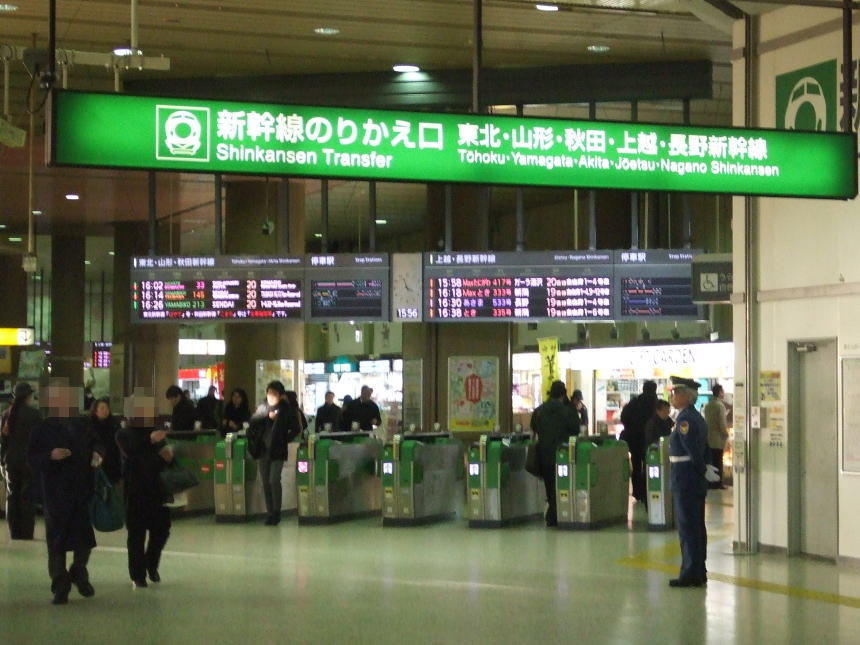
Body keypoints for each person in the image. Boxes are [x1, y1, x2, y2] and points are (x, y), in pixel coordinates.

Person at [28, 381, 104, 605]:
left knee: (84, 539)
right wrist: (50, 455)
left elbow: (99, 443)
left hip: (81, 488)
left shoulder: (83, 425)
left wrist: (98, 454)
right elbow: (31, 457)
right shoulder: (42, 428)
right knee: (57, 540)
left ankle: (79, 570)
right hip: (55, 491)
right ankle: (60, 583)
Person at [116, 391, 173, 589]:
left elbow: (165, 457)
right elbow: (132, 455)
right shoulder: (123, 434)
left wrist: (165, 456)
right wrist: (151, 443)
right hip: (135, 491)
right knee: (136, 535)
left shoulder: (155, 433)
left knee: (161, 530)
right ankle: (138, 574)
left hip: (156, 491)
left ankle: (151, 563)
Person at [667, 376, 719, 588]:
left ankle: (690, 573)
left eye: (675, 393)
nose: (672, 397)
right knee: (697, 527)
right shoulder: (695, 417)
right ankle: (698, 570)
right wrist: (704, 469)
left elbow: (693, 450)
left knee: (688, 527)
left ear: (686, 396)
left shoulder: (685, 420)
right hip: (693, 478)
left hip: (685, 477)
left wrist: (701, 468)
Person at [530, 380, 580, 527]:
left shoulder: (539, 411)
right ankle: (560, 514)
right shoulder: (567, 412)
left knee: (549, 486)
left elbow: (534, 428)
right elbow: (576, 429)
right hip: (563, 455)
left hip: (544, 455)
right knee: (563, 485)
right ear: (563, 395)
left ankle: (553, 515)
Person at [253, 381, 301, 525]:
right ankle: (270, 513)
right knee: (265, 482)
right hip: (263, 450)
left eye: (274, 393)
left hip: (278, 450)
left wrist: (284, 438)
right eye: (269, 393)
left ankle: (276, 512)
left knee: (274, 480)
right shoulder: (263, 408)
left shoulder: (287, 409)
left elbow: (296, 428)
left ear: (280, 395)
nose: (271, 396)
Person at [1, 382, 41, 540]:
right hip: (28, 461)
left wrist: (3, 459)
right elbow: (40, 439)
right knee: (27, 497)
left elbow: (3, 440)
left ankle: (15, 532)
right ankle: (26, 532)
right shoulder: (34, 414)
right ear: (28, 396)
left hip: (10, 460)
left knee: (12, 496)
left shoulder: (6, 414)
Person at [620, 381, 657, 503]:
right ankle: (648, 491)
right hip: (647, 440)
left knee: (636, 466)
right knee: (650, 466)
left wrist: (631, 428)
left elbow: (624, 417)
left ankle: (637, 492)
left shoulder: (634, 402)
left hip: (633, 439)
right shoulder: (653, 403)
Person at [87, 398, 123, 484]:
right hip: (96, 457)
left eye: (107, 408)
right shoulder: (89, 424)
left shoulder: (114, 422)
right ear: (95, 411)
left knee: (112, 484)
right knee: (96, 482)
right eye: (102, 408)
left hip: (113, 458)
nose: (105, 410)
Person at [703, 384, 729, 490]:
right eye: (722, 391)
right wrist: (726, 434)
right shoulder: (720, 406)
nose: (723, 393)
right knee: (718, 461)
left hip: (709, 437)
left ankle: (711, 483)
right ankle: (718, 483)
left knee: (711, 460)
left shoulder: (708, 405)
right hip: (718, 438)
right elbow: (722, 423)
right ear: (719, 392)